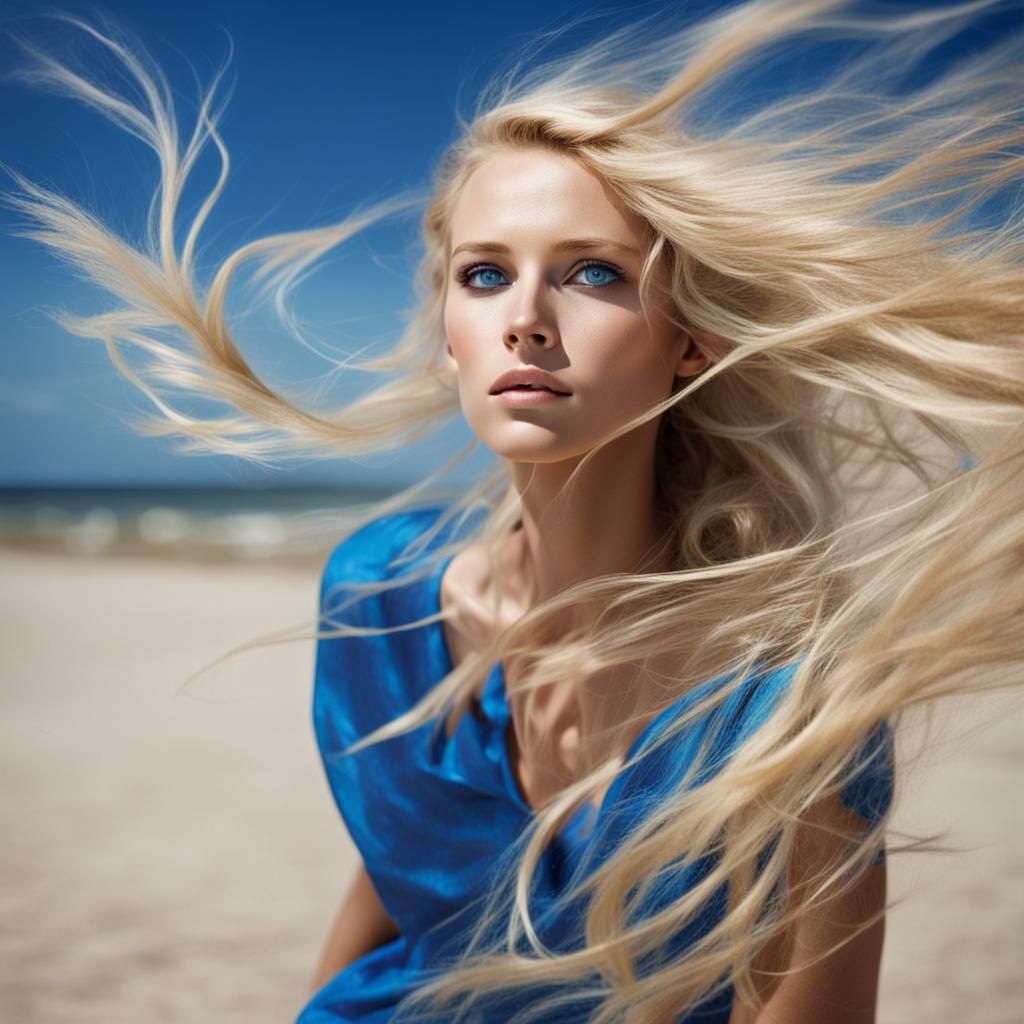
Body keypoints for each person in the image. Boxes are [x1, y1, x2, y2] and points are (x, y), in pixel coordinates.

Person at [6, 1, 1023, 1021]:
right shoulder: (379, 595)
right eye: (484, 275)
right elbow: (407, 875)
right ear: (449, 334)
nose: (526, 320)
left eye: (593, 273)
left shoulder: (789, 687)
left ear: (692, 336)